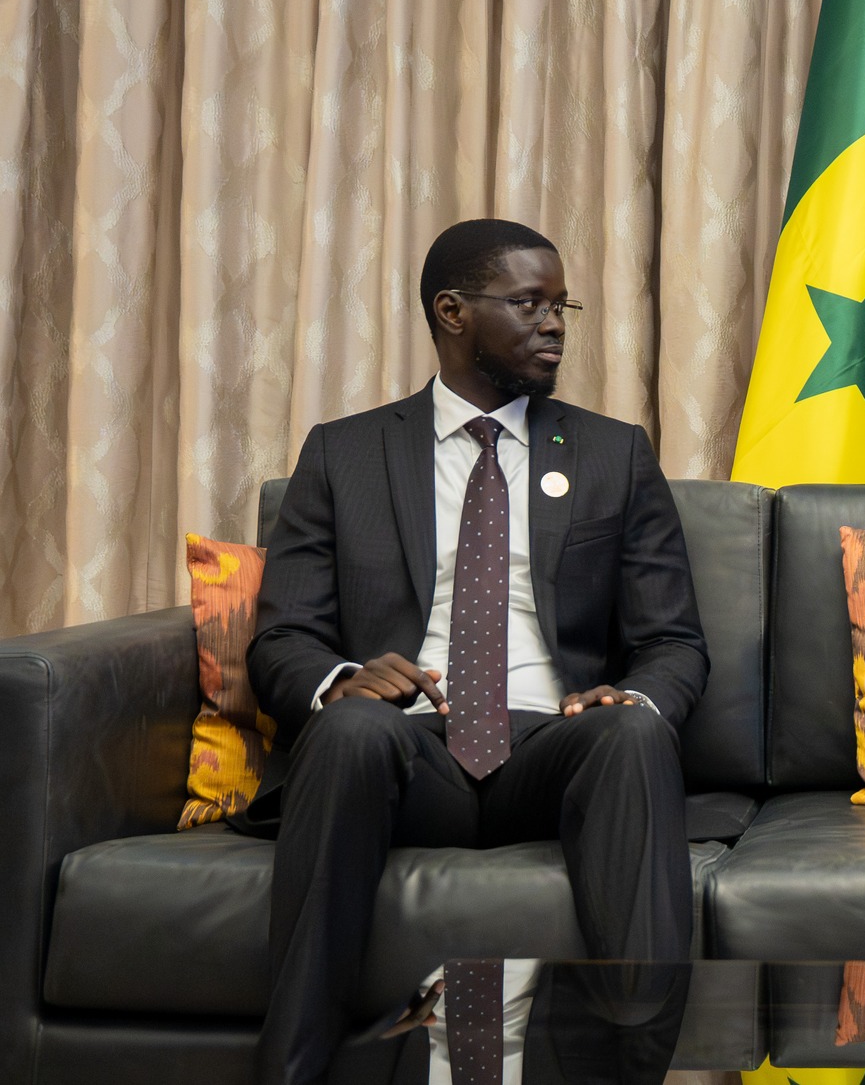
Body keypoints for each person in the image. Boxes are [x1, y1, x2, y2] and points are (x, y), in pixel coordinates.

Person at [245, 219, 708, 1084]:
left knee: (633, 732)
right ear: (452, 311)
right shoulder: (344, 452)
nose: (555, 323)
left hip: (552, 746)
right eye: (529, 303)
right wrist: (344, 681)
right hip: (406, 748)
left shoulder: (612, 452)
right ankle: (294, 1070)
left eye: (562, 305)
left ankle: (633, 1071)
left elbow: (673, 641)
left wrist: (632, 696)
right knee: (348, 729)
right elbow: (282, 637)